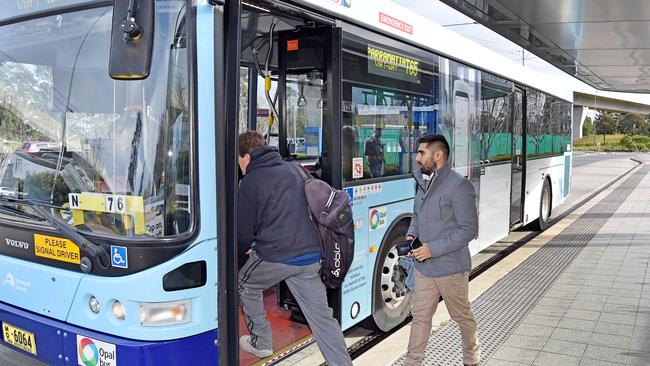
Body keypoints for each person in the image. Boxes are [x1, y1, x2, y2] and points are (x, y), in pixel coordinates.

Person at [236, 131, 352, 365]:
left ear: (246, 156)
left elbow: (242, 234)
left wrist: (247, 247)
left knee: (245, 283)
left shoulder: (251, 180)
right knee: (321, 318)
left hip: (278, 256)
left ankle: (262, 342)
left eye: (238, 160)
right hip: (310, 256)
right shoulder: (294, 169)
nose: (238, 165)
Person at [404, 134, 480, 366]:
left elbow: (469, 230)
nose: (417, 157)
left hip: (451, 269)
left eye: (421, 153)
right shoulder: (423, 183)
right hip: (424, 268)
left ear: (438, 155)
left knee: (462, 316)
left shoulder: (459, 186)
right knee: (420, 318)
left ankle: (472, 358)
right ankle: (413, 362)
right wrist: (412, 235)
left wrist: (432, 249)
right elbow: (417, 213)